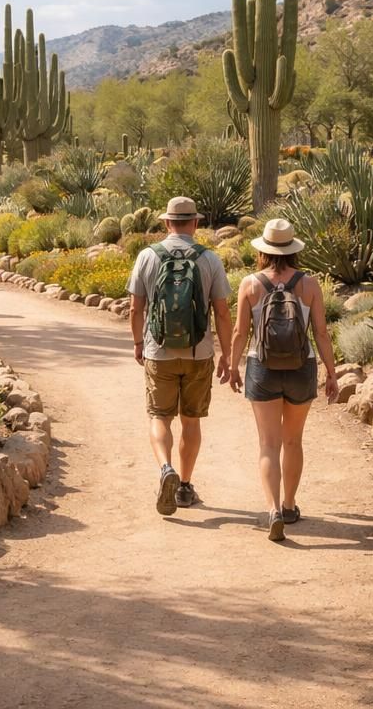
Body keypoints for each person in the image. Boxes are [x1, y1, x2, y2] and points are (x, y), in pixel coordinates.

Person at [227, 218, 338, 541]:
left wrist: (232, 367)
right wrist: (331, 373)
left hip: (261, 368)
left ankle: (273, 508)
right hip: (301, 368)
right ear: (293, 250)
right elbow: (320, 333)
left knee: (268, 444)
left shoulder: (249, 284)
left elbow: (239, 332)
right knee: (293, 441)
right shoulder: (309, 284)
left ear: (263, 250)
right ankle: (290, 505)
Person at [127, 196, 233, 517]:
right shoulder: (210, 259)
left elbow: (135, 308)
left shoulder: (147, 256)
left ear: (166, 223)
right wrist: (226, 354)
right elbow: (223, 313)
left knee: (159, 416)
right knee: (191, 420)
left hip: (158, 351)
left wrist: (137, 343)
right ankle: (185, 486)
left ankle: (165, 470)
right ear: (196, 223)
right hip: (198, 352)